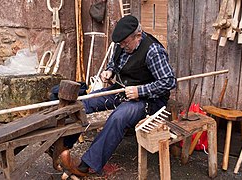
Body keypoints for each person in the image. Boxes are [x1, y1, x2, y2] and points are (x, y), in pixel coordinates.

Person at [59, 15, 176, 176]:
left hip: (149, 100)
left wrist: (139, 91)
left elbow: (169, 82)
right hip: (122, 90)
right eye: (120, 43)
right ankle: (63, 147)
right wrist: (109, 71)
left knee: (118, 117)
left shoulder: (153, 51)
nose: (122, 46)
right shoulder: (122, 43)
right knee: (84, 103)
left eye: (125, 43)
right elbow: (115, 62)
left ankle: (86, 166)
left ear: (138, 36)